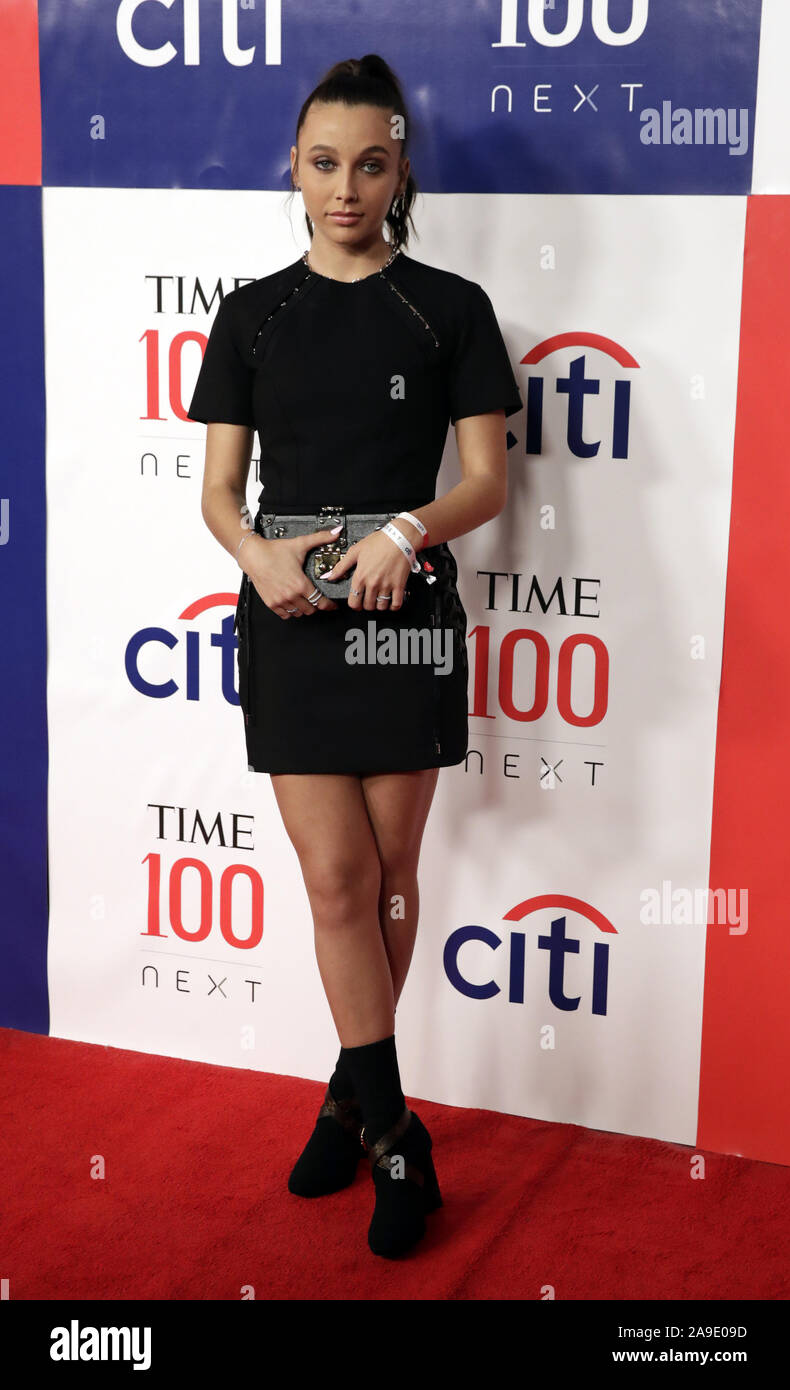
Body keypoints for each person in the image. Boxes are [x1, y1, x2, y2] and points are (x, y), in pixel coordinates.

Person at [187, 54, 522, 1258]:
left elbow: (483, 481)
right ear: (293, 164)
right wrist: (256, 556)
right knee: (334, 881)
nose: (343, 187)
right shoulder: (251, 313)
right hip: (286, 617)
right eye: (321, 163)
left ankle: (347, 1094)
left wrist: (402, 530)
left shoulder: (450, 308)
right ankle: (394, 1130)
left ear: (397, 169)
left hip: (404, 614)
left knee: (388, 869)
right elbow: (221, 495)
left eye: (368, 164)